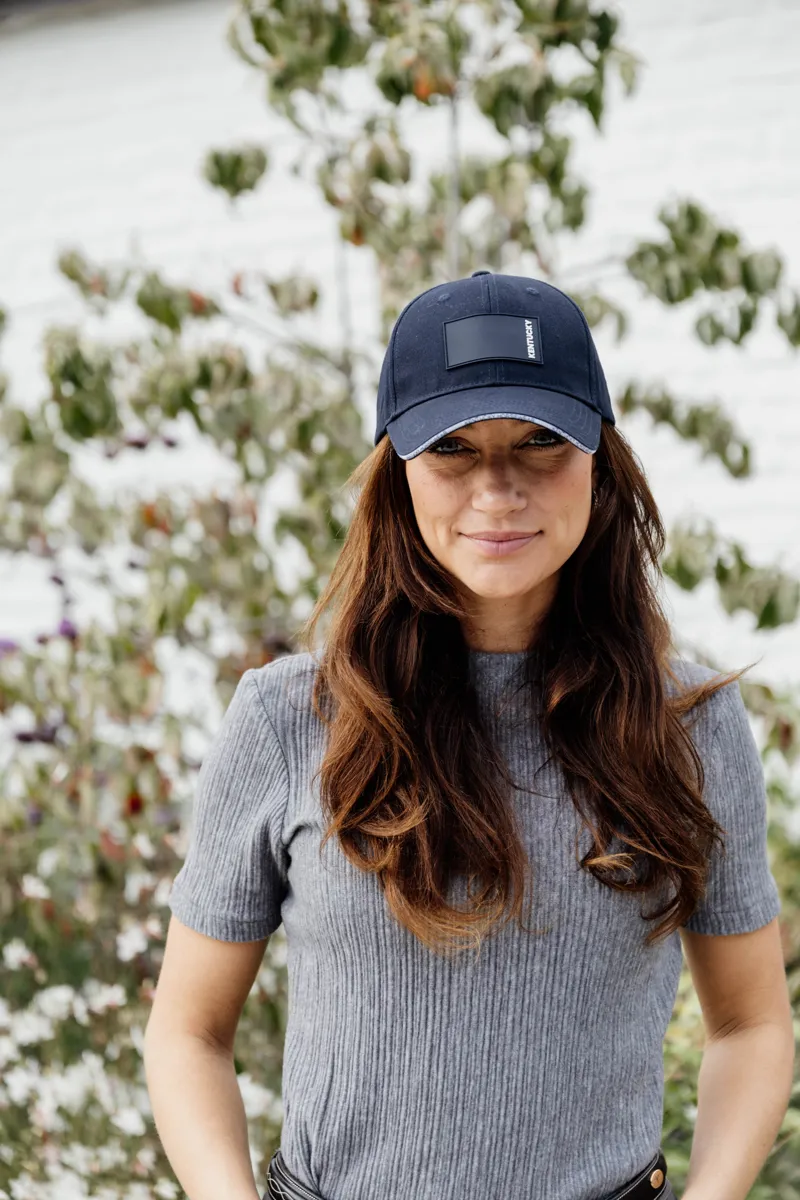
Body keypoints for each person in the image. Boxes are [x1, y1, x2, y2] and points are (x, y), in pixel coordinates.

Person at [144, 271, 794, 1200]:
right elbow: (187, 1031)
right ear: (397, 472)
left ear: (600, 463)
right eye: (451, 447)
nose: (498, 488)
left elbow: (752, 1027)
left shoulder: (687, 724)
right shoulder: (288, 721)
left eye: (540, 441)